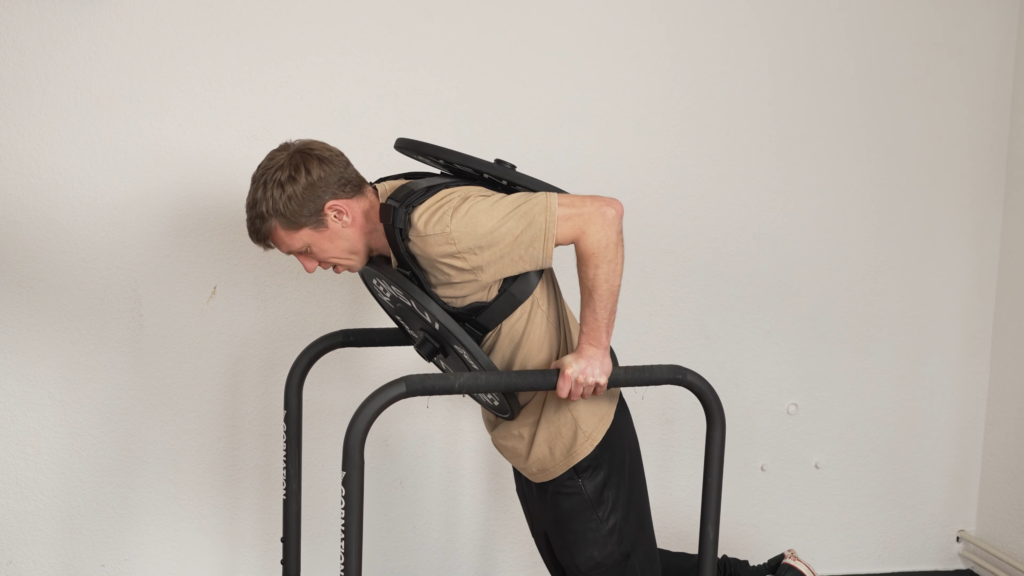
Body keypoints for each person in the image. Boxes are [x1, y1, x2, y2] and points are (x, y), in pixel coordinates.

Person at [245, 139, 817, 576]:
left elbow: (600, 218)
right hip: (528, 435)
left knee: (614, 567)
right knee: (615, 565)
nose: (310, 267)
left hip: (576, 431)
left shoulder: (442, 228)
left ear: (339, 214)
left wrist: (593, 349)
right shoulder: (387, 208)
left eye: (305, 250)